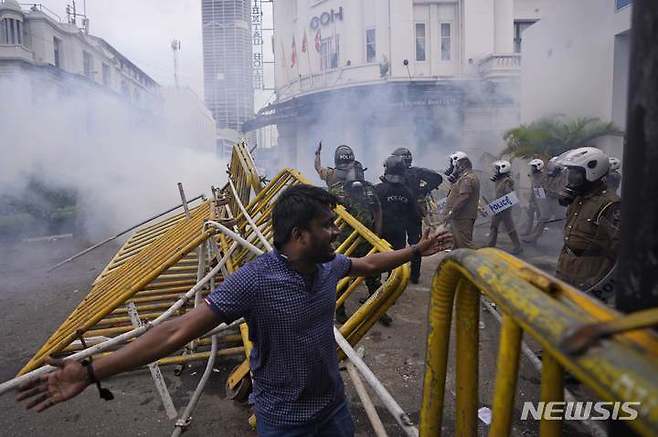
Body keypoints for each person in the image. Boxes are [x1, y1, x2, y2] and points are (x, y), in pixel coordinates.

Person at [16, 184, 453, 436]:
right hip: (285, 424)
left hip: (333, 411)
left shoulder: (328, 265)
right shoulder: (255, 280)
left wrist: (417, 249)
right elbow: (175, 332)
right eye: (327, 226)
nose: (337, 232)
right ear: (300, 234)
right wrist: (93, 370)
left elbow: (369, 263)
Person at [555, 147, 621, 301]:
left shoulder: (610, 204)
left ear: (593, 173)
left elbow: (617, 248)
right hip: (565, 266)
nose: (570, 178)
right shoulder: (578, 198)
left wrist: (599, 281)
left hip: (588, 272)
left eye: (576, 173)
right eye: (570, 172)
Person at [331, 161, 385, 325]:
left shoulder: (369, 188)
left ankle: (379, 310)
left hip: (367, 241)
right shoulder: (336, 191)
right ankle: (340, 311)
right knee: (342, 278)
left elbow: (377, 211)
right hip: (345, 242)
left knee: (374, 276)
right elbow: (327, 213)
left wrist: (377, 233)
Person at [391, 147, 443, 283]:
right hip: (415, 213)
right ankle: (415, 276)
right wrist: (424, 189)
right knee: (416, 244)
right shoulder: (417, 172)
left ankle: (396, 276)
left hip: (400, 215)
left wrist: (423, 189)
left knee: (398, 247)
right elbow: (437, 178)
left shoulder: (396, 175)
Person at [442, 151, 481, 249]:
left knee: (465, 245)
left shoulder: (467, 179)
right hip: (459, 217)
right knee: (457, 244)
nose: (454, 169)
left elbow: (464, 197)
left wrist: (451, 213)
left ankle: (481, 262)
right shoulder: (465, 177)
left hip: (462, 217)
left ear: (462, 165)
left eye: (455, 166)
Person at [486, 160, 523, 255]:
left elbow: (509, 193)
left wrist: (500, 202)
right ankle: (491, 245)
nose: (496, 171)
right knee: (494, 226)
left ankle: (518, 246)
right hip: (499, 206)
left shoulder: (507, 181)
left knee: (509, 227)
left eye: (498, 169)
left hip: (504, 207)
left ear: (503, 169)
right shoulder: (500, 179)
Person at [521, 158, 548, 243]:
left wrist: (541, 202)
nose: (531, 169)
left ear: (538, 167)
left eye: (533, 167)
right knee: (531, 216)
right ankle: (529, 232)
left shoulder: (544, 177)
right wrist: (531, 200)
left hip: (542, 201)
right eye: (531, 167)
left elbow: (544, 190)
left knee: (541, 218)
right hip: (535, 200)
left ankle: (534, 236)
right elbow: (533, 189)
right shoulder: (534, 177)